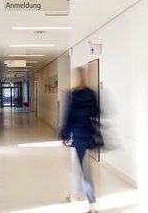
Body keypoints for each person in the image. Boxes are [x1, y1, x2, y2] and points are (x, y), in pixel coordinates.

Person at [60, 67, 99, 213]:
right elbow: (96, 112)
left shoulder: (72, 94)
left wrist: (64, 134)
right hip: (88, 132)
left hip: (78, 133)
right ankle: (75, 194)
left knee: (83, 168)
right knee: (81, 165)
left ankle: (91, 205)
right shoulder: (90, 92)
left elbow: (68, 115)